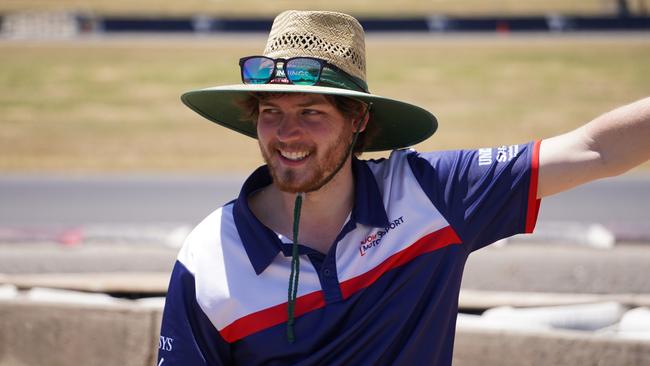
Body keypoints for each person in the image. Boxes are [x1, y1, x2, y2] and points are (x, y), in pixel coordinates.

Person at [157, 10, 650, 365]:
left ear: (359, 120)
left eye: (311, 112)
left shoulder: (430, 194)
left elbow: (595, 149)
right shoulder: (207, 257)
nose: (287, 135)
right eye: (271, 113)